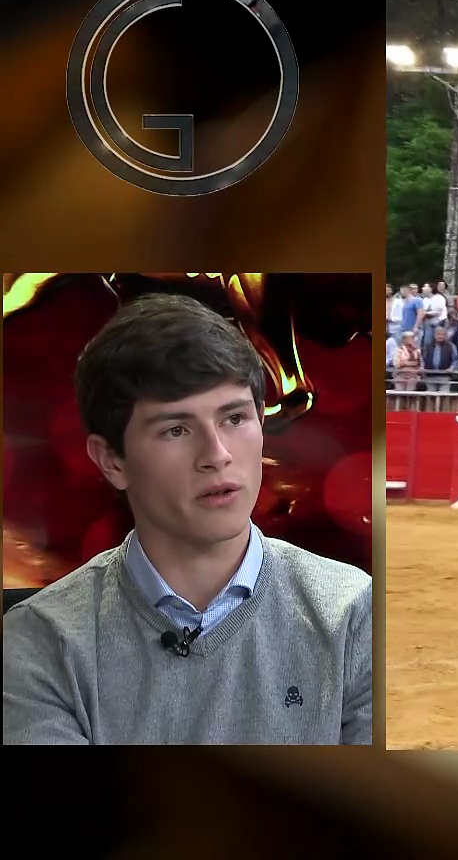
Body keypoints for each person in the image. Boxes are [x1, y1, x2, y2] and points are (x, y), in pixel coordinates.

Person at [3, 295, 372, 745]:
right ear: (111, 460)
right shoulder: (40, 641)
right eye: (176, 429)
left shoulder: (353, 614)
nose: (217, 455)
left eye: (234, 418)